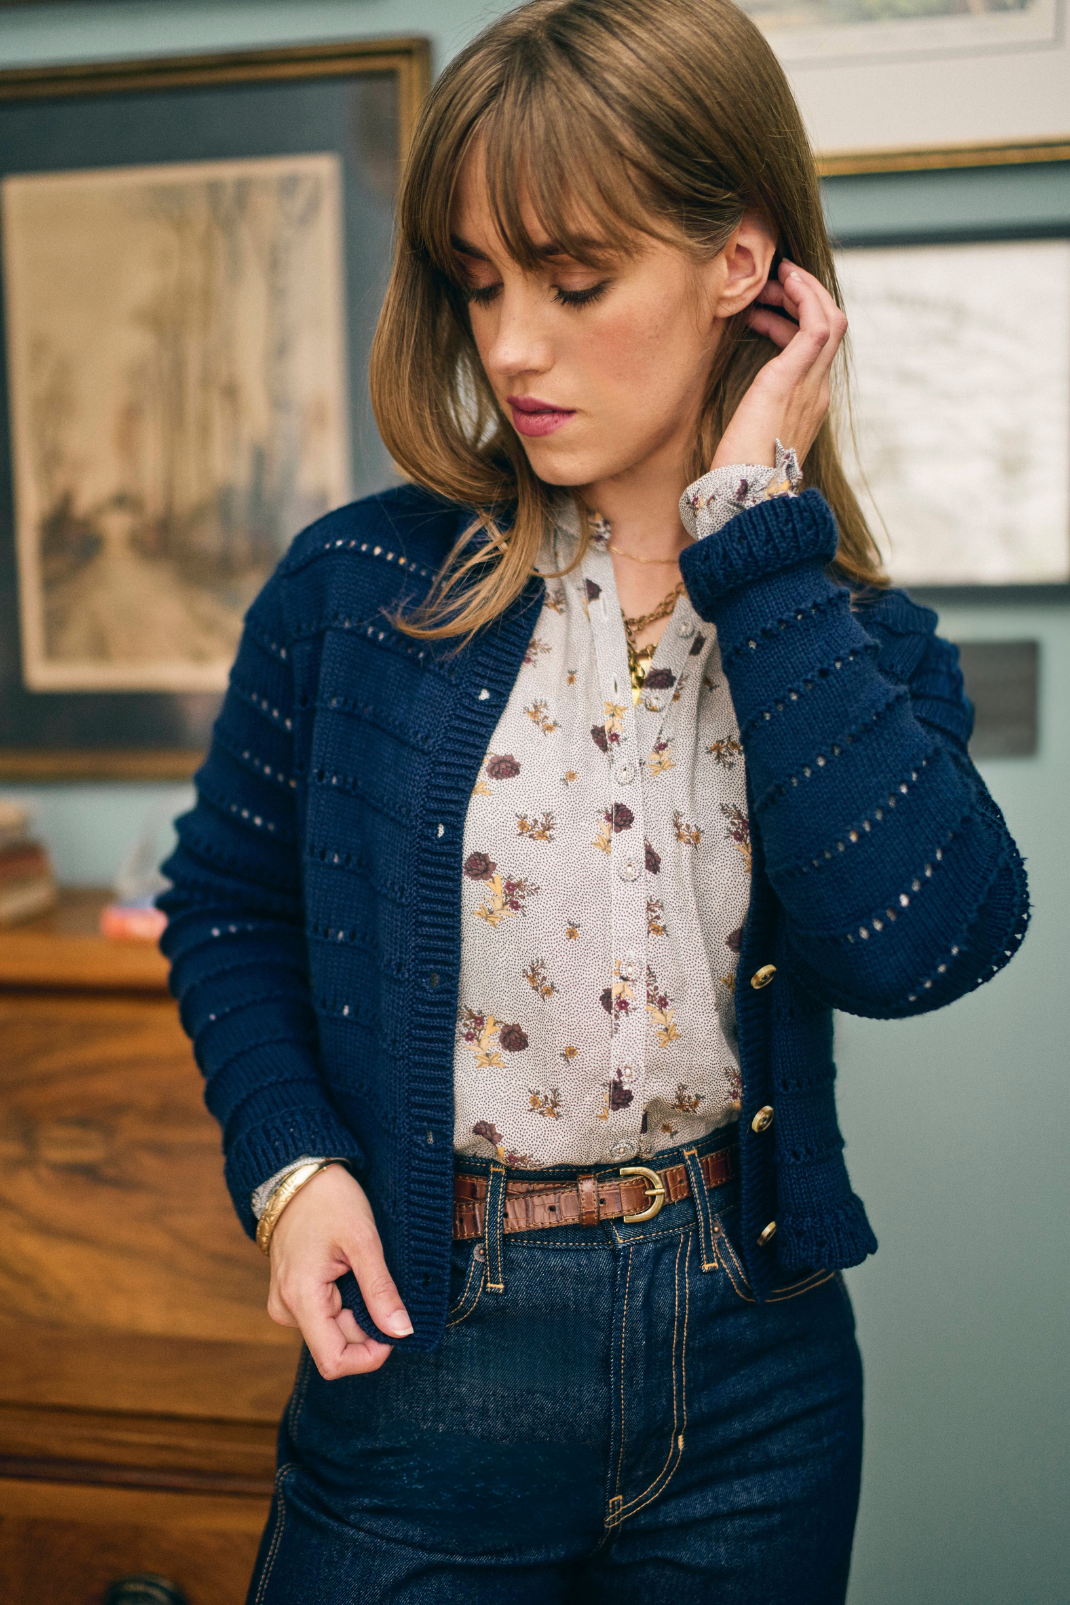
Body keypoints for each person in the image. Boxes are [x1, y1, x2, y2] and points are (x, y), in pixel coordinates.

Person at [159, 1, 1030, 1599]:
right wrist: (293, 1171)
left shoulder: (842, 631)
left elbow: (923, 951)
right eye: (478, 284)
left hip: (755, 1370)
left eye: (571, 281)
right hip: (432, 1356)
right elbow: (224, 905)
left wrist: (753, 539)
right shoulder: (358, 589)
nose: (509, 346)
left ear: (739, 269)